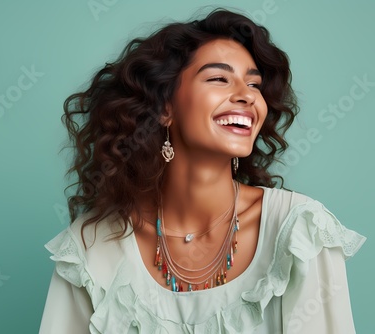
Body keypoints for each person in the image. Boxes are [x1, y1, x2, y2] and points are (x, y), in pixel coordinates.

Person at [39, 8, 366, 334]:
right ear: (165, 107)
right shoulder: (93, 247)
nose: (247, 96)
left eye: (254, 84)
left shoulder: (298, 233)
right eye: (219, 79)